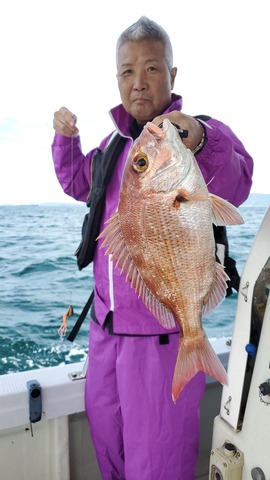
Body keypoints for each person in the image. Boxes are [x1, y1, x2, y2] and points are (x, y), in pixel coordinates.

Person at [52, 16, 253, 480]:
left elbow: (239, 183)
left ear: (172, 75)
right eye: (127, 71)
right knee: (110, 450)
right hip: (104, 336)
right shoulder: (110, 147)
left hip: (162, 343)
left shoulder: (192, 140)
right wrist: (66, 142)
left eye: (151, 68)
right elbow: (78, 181)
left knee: (157, 465)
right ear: (117, 79)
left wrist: (201, 138)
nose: (138, 82)